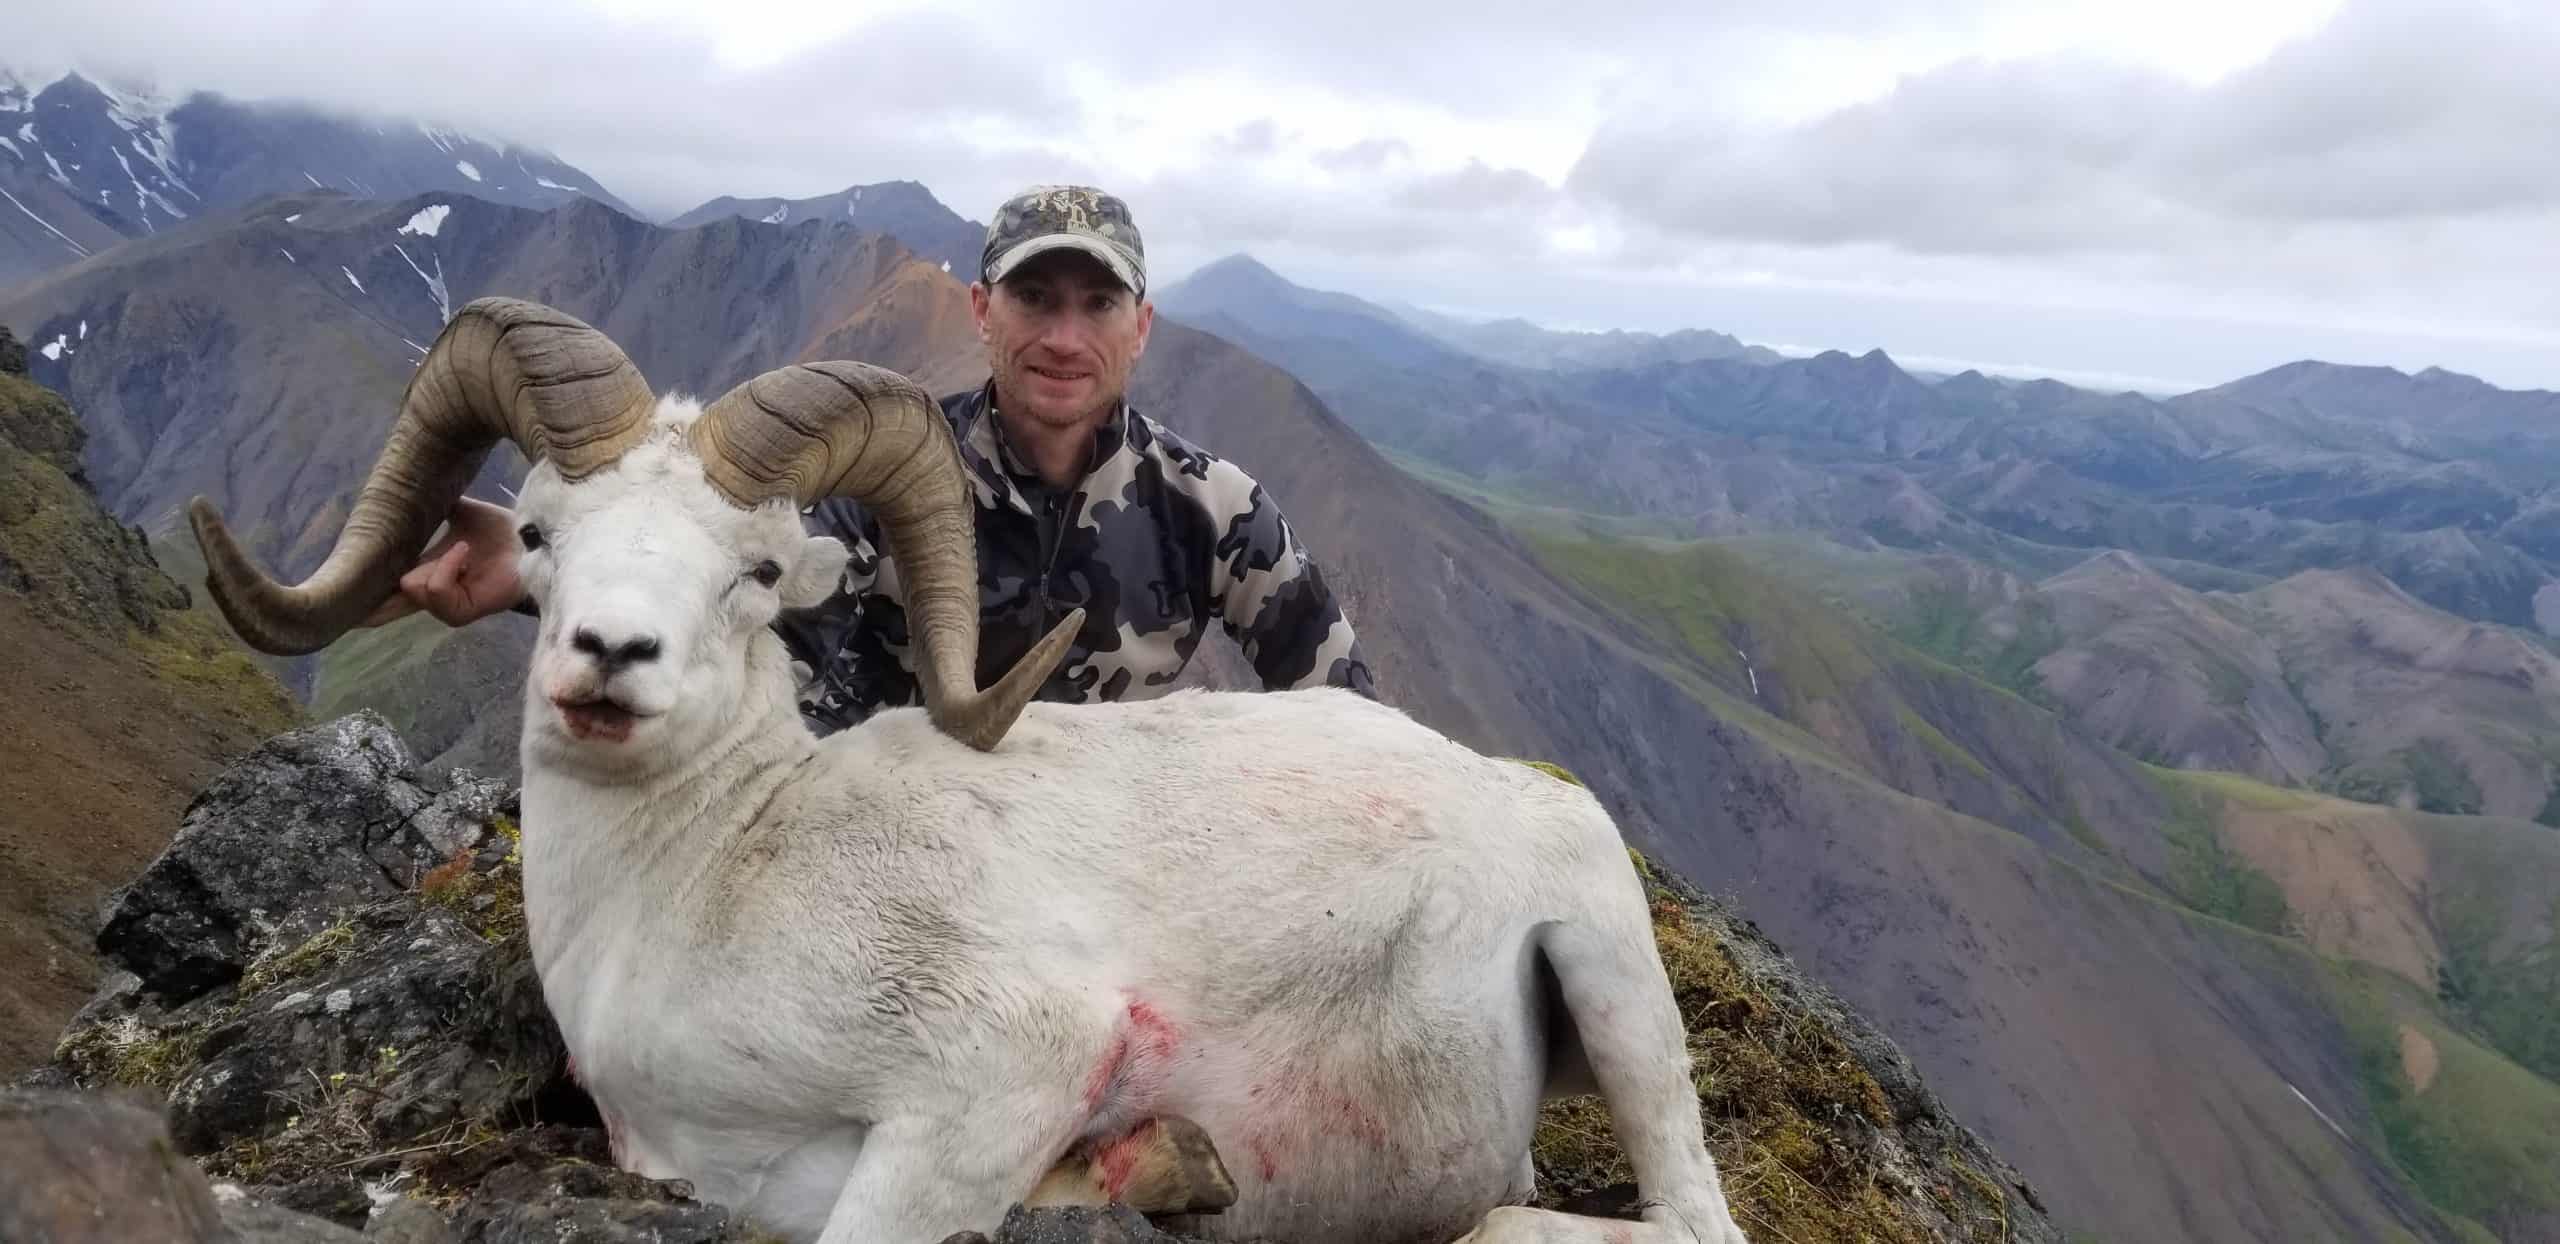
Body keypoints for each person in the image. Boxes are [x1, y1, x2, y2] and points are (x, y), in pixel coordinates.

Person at [365, 183, 1376, 735]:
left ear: (1141, 325)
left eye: (1097, 304)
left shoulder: (1215, 509)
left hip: (1108, 863)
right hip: (895, 848)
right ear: (982, 311)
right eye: (1034, 299)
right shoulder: (875, 474)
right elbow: (727, 593)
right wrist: (535, 571)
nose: (1064, 337)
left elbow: (1345, 712)